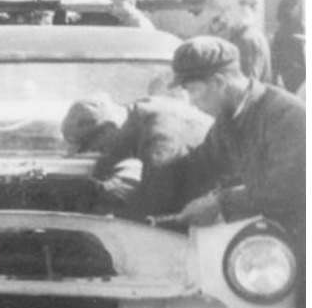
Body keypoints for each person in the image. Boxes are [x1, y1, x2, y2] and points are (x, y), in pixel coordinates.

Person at [167, 36, 305, 239]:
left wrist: (220, 202)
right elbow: (200, 165)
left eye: (193, 90)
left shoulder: (288, 116)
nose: (192, 102)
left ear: (219, 82)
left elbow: (284, 189)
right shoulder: (229, 118)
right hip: (270, 239)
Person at [62, 93, 211, 220]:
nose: (103, 152)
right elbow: (106, 164)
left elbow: (152, 201)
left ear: (108, 129)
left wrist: (109, 217)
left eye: (101, 147)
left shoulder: (159, 138)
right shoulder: (133, 116)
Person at [229, 0, 273, 83]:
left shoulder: (246, 39)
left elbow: (249, 79)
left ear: (242, 12)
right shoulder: (253, 34)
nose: (228, 14)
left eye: (231, 10)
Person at [270, 0, 305, 95]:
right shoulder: (293, 28)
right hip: (293, 74)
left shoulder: (282, 30)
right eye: (295, 7)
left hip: (292, 73)